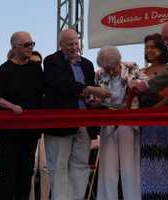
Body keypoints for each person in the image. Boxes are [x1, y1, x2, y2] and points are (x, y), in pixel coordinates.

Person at [43, 28, 109, 200]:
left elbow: (91, 88)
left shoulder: (87, 64)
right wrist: (89, 89)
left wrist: (93, 99)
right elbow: (62, 84)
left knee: (80, 165)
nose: (73, 47)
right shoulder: (51, 61)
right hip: (60, 124)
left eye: (75, 43)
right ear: (60, 45)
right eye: (69, 44)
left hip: (84, 122)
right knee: (59, 166)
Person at [0, 31, 44, 200]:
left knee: (26, 172)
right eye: (27, 45)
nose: (31, 48)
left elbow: (45, 92)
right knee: (9, 173)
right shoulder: (5, 69)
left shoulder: (35, 68)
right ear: (14, 47)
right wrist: (12, 107)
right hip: (8, 131)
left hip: (29, 129)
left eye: (32, 44)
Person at [95, 46, 141, 200]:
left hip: (127, 122)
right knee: (107, 168)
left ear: (119, 61)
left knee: (129, 167)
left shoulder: (131, 67)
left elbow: (142, 86)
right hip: (107, 122)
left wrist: (132, 83)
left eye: (113, 68)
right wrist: (96, 99)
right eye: (106, 69)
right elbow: (91, 99)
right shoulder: (99, 74)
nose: (110, 72)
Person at [136, 33, 168, 200]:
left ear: (162, 49)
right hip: (143, 128)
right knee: (146, 165)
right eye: (147, 47)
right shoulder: (141, 72)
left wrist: (153, 111)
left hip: (165, 127)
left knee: (165, 164)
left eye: (153, 47)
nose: (149, 50)